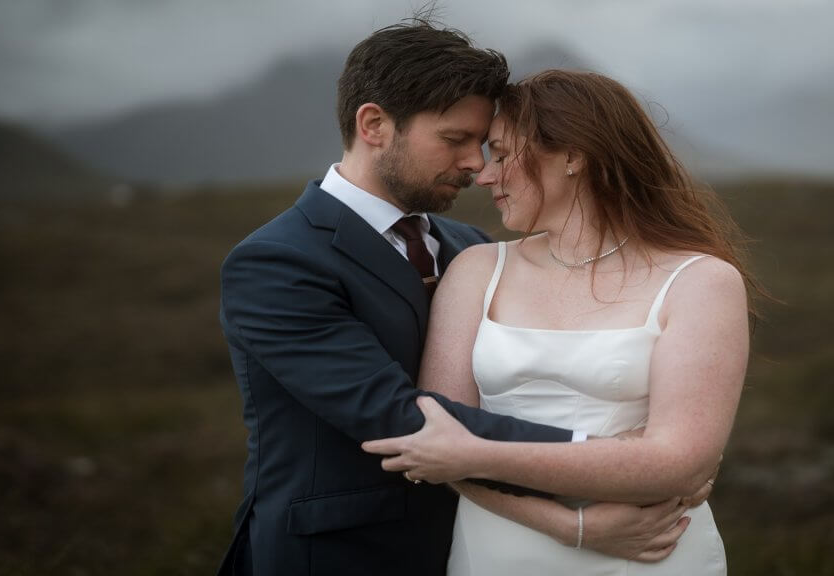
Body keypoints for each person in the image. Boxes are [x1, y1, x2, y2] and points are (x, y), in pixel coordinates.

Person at [217, 21, 703, 576]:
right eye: (454, 140)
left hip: (476, 543)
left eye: (483, 144)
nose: (476, 165)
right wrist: (622, 461)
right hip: (339, 553)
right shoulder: (278, 261)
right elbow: (398, 417)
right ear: (374, 124)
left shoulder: (470, 249)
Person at [363, 69, 758, 575]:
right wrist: (570, 525)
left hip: (648, 551)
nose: (484, 175)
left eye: (503, 154)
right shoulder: (477, 270)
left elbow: (681, 464)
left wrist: (470, 455)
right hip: (496, 551)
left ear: (573, 155)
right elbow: (439, 432)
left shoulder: (700, 281)